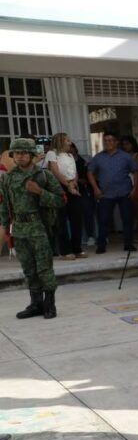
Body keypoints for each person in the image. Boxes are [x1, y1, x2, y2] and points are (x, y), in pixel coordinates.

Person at [1, 136, 64, 319]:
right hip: (19, 229)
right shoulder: (8, 178)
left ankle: (49, 303)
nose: (20, 156)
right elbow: (5, 205)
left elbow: (60, 200)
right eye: (17, 153)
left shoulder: (43, 175)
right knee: (29, 268)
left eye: (24, 153)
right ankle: (35, 303)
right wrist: (5, 227)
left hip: (38, 227)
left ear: (31, 155)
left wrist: (40, 192)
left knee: (44, 267)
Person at [88, 131, 138, 254]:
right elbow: (90, 172)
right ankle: (101, 245)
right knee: (103, 220)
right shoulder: (98, 157)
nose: (108, 143)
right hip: (105, 193)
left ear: (116, 142)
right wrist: (95, 188)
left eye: (111, 140)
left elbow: (136, 171)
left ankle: (128, 244)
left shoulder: (126, 156)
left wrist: (134, 189)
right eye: (105, 140)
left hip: (124, 192)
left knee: (127, 219)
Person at [44, 133, 87, 261]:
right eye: (67, 140)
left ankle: (77, 248)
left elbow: (75, 172)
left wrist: (73, 183)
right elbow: (55, 171)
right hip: (59, 188)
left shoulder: (70, 155)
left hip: (72, 186)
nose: (69, 143)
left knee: (77, 219)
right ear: (60, 141)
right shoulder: (52, 154)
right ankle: (65, 250)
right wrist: (68, 185)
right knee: (61, 221)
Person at [71, 143, 96, 250]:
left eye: (72, 148)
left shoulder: (84, 160)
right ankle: (77, 238)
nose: (70, 150)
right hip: (71, 191)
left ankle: (91, 236)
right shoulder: (64, 161)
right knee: (74, 216)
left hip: (84, 191)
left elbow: (91, 174)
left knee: (88, 213)